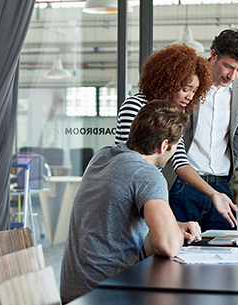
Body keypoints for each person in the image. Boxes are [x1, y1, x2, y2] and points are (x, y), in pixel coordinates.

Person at [62, 100, 202, 303]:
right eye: (176, 146)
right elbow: (168, 246)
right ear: (164, 146)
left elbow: (115, 218)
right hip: (108, 294)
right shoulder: (147, 174)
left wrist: (174, 226)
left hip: (74, 293)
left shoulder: (102, 157)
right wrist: (172, 232)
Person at [162, 28, 238, 231]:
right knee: (179, 253)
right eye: (228, 66)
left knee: (224, 254)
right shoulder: (188, 80)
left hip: (221, 184)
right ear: (214, 54)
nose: (232, 76)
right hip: (182, 183)